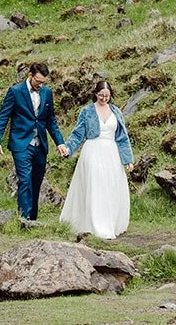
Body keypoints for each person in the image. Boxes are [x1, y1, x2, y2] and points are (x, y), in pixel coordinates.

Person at [58, 78, 134, 240]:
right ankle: (95, 225)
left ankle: (110, 223)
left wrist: (128, 159)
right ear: (95, 94)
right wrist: (68, 148)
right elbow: (78, 134)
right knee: (95, 185)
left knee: (110, 186)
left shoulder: (116, 112)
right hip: (92, 151)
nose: (104, 99)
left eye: (107, 96)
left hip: (112, 154)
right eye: (101, 95)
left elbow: (122, 137)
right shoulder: (87, 111)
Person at [0, 62, 65, 221]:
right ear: (30, 75)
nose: (40, 85)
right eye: (38, 81)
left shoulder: (47, 92)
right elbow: (3, 117)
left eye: (43, 82)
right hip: (21, 144)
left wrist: (60, 143)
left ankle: (32, 218)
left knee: (36, 182)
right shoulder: (15, 91)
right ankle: (24, 219)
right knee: (24, 180)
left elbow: (50, 120)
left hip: (40, 145)